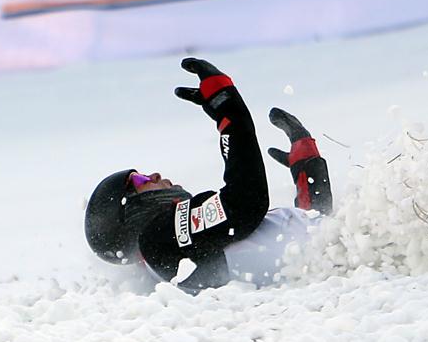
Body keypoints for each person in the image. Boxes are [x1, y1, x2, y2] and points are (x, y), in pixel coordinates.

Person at [84, 58, 332, 293]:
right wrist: (229, 111)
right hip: (334, 261)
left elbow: (312, 232)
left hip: (335, 256)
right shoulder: (157, 240)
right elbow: (244, 202)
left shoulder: (172, 249)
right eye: (139, 181)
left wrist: (307, 170)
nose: (154, 174)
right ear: (130, 213)